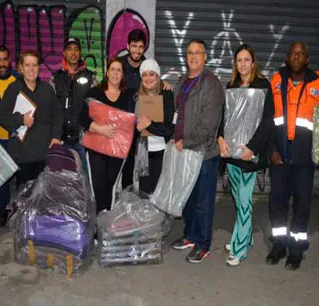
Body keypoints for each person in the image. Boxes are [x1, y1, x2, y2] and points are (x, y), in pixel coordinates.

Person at [266, 42, 319, 270]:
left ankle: (296, 250)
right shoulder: (276, 81)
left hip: (305, 159)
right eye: (293, 53)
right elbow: (268, 120)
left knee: (302, 206)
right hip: (280, 157)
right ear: (287, 58)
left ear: (307, 59)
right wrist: (271, 150)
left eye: (301, 54)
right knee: (277, 204)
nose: (297, 57)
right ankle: (279, 245)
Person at [217, 44, 274, 266]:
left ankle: (239, 248)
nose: (242, 64)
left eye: (246, 60)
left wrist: (253, 148)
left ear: (253, 62)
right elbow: (224, 117)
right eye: (239, 60)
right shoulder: (230, 86)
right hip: (231, 154)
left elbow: (267, 122)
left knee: (244, 201)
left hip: (250, 155)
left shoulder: (263, 87)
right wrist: (220, 138)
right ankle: (246, 237)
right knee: (239, 199)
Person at [170, 39, 224, 263]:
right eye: (189, 53)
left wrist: (187, 141)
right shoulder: (182, 80)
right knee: (188, 199)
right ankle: (190, 235)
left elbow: (209, 125)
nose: (193, 57)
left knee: (203, 201)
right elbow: (177, 112)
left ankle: (203, 244)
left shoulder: (211, 83)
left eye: (197, 53)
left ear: (205, 57)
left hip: (204, 153)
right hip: (184, 150)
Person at [0, 51, 63, 189]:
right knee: (24, 199)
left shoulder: (47, 89)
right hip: (22, 156)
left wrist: (56, 137)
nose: (31, 69)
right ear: (21, 68)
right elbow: (2, 116)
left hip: (44, 155)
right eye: (27, 65)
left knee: (43, 197)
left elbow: (58, 114)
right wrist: (20, 119)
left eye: (34, 65)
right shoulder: (13, 89)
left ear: (39, 68)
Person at [80, 58, 135, 213]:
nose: (115, 73)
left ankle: (105, 225)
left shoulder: (128, 96)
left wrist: (165, 85)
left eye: (119, 70)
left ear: (123, 74)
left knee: (110, 186)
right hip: (96, 148)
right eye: (113, 69)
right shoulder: (95, 92)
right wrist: (99, 129)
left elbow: (148, 89)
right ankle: (97, 226)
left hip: (117, 151)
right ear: (107, 72)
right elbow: (82, 116)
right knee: (97, 186)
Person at [51, 38, 95, 167]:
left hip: (82, 140)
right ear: (64, 53)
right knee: (62, 179)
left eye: (76, 49)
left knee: (83, 179)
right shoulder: (56, 78)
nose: (73, 53)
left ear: (80, 53)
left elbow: (95, 107)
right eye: (70, 49)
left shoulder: (90, 77)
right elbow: (51, 109)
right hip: (61, 138)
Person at [134, 59, 175, 196]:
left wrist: (149, 125)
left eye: (152, 74)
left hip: (161, 152)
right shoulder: (136, 97)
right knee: (144, 194)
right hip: (143, 152)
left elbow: (169, 128)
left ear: (158, 76)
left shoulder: (167, 94)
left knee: (159, 194)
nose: (148, 78)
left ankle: (160, 218)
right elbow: (130, 128)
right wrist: (137, 128)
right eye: (144, 74)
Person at [0, 45, 19, 228]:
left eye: (4, 59)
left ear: (10, 60)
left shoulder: (18, 80)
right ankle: (2, 210)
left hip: (16, 137)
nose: (2, 64)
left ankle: (21, 209)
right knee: (2, 177)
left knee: (22, 175)